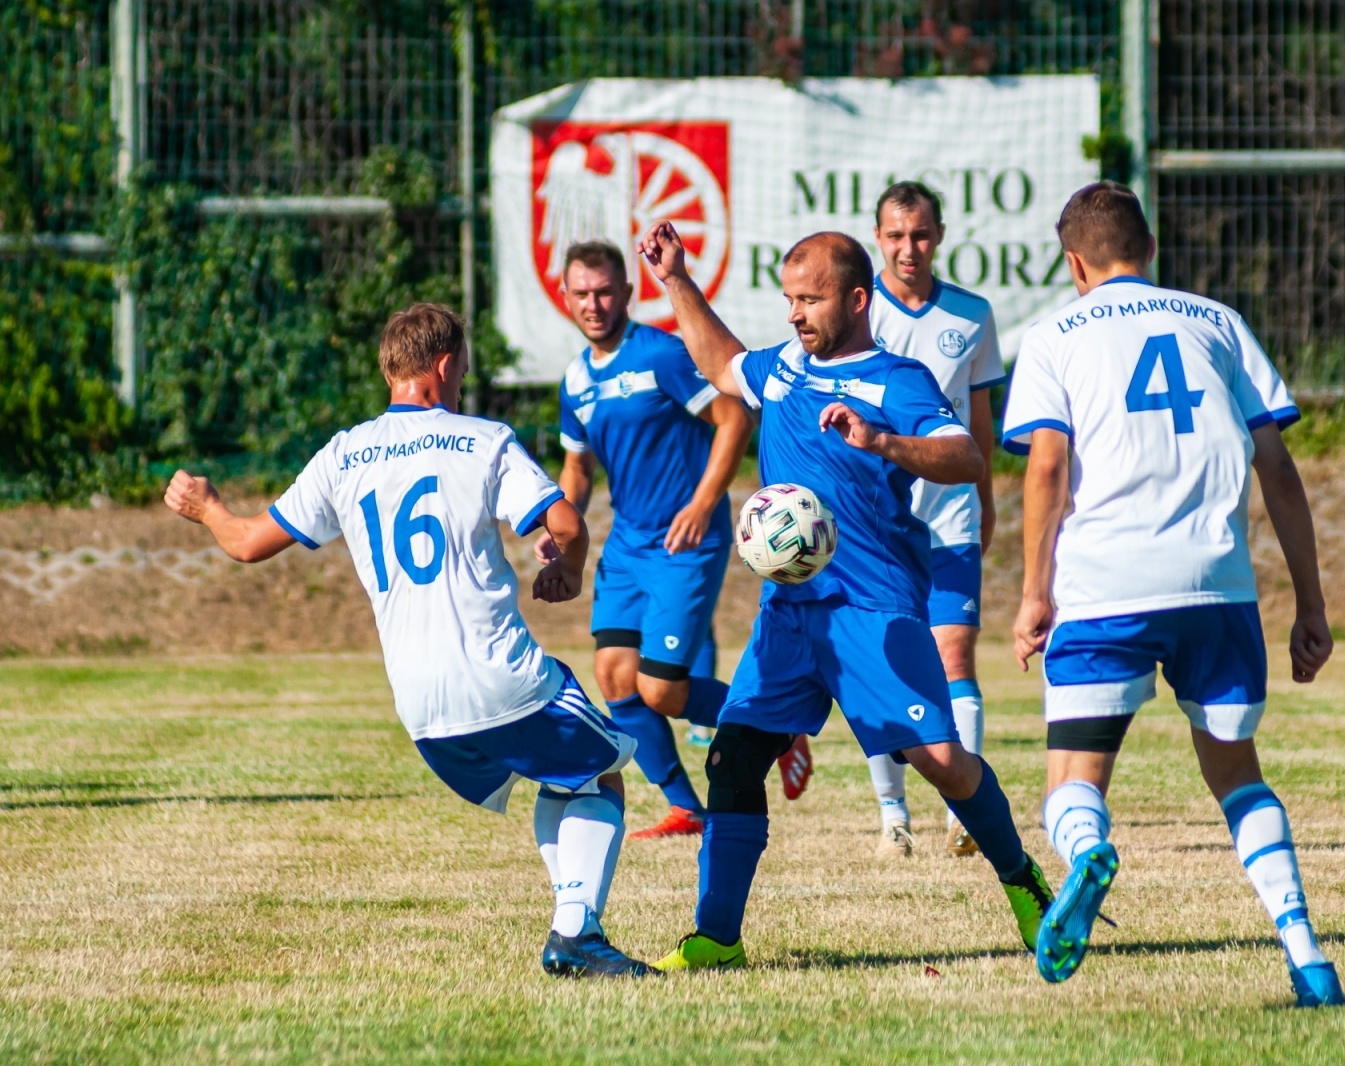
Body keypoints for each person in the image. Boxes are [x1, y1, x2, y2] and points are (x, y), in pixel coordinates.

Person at [163, 303, 657, 978]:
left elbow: (248, 543)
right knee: (600, 772)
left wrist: (206, 507)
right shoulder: (482, 440)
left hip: (422, 712)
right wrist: (566, 570)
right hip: (497, 677)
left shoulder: (344, 454)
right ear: (447, 366)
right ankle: (577, 934)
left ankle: (574, 932)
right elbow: (565, 521)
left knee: (562, 775)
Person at [636, 221, 1056, 970]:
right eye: (790, 300)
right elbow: (725, 364)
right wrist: (675, 280)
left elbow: (965, 456)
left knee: (941, 761)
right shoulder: (785, 369)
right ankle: (716, 938)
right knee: (733, 759)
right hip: (790, 617)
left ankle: (1024, 882)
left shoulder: (898, 381)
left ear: (857, 299)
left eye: (811, 300)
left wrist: (884, 442)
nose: (795, 315)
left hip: (874, 608)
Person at [1004, 182, 1345, 1006]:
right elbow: (1280, 471)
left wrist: (1033, 594)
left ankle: (1087, 852)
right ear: (1150, 249)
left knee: (1071, 785)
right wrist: (1311, 603)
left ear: (1074, 263)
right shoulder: (1217, 322)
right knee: (1238, 777)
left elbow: (1047, 466)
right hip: (1217, 587)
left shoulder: (1054, 334)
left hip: (1106, 589)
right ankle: (1307, 956)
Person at [543, 241, 789, 842]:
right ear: (566, 297)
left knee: (661, 689)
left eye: (605, 291)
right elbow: (577, 468)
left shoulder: (660, 354)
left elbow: (734, 417)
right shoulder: (576, 378)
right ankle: (687, 808)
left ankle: (777, 724)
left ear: (627, 292)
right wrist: (558, 524)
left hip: (685, 541)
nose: (594, 304)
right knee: (614, 680)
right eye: (582, 294)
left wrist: (704, 503)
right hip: (627, 546)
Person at [865, 180, 1005, 860]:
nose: (908, 248)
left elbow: (978, 419)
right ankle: (893, 814)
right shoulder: (861, 317)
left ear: (940, 235)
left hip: (950, 516)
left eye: (919, 235)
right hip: (878, 524)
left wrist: (986, 494)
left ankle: (964, 810)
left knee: (954, 653)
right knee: (885, 662)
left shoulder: (973, 316)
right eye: (895, 236)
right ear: (878, 240)